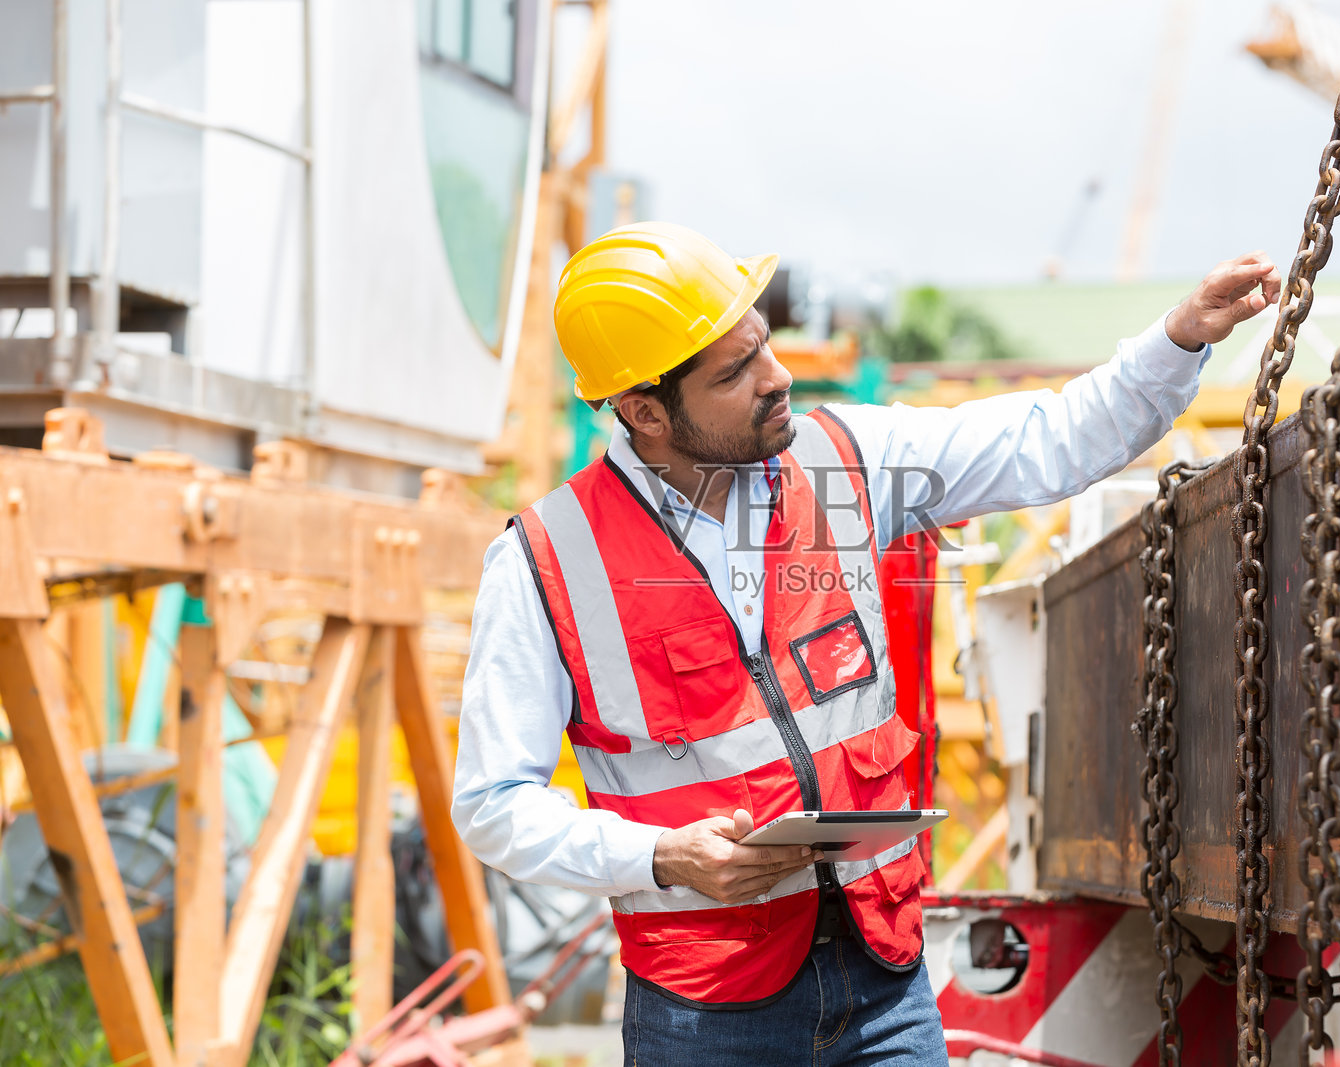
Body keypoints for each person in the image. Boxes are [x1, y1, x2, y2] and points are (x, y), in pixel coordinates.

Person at [452, 221, 1280, 1064]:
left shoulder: (844, 461)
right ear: (644, 412)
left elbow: (1048, 439)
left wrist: (1179, 339)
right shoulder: (545, 561)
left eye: (763, 344)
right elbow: (492, 802)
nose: (777, 377)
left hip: (884, 982)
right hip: (705, 1013)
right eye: (735, 372)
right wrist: (660, 855)